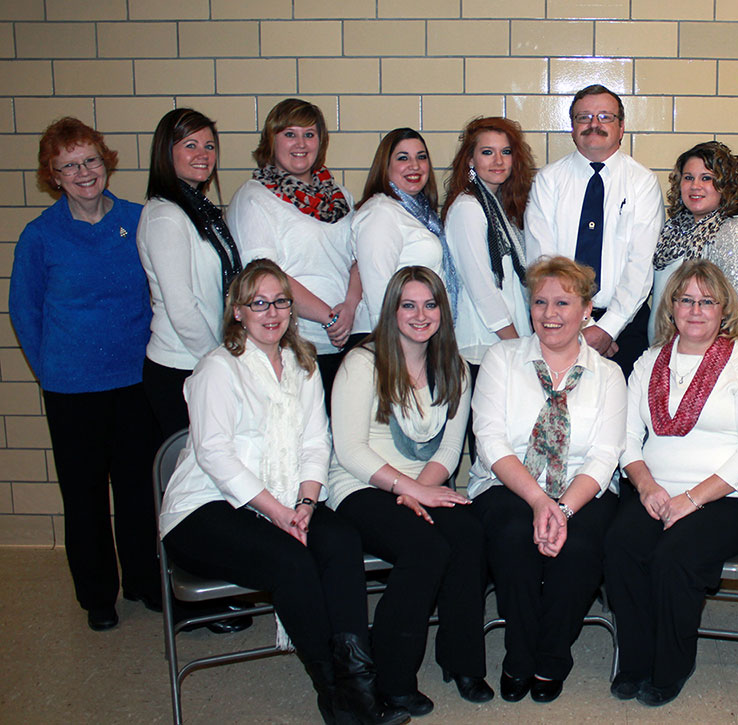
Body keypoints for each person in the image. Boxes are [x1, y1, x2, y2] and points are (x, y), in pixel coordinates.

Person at [158, 260, 407, 725]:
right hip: (204, 507)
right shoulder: (218, 368)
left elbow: (316, 443)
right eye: (259, 303)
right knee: (292, 560)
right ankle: (336, 696)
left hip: (288, 495)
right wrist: (278, 512)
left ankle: (360, 685)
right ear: (237, 311)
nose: (271, 313)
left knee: (341, 540)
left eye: (280, 302)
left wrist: (307, 503)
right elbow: (214, 455)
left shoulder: (302, 364)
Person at [9, 117, 159, 632]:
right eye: (69, 166)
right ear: (53, 176)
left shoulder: (138, 220)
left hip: (136, 381)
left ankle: (143, 580)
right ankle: (98, 595)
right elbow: (25, 311)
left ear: (106, 162)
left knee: (139, 491)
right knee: (85, 495)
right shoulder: (40, 236)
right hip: (72, 389)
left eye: (90, 160)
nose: (83, 172)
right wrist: (52, 369)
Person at [604, 260, 738, 707]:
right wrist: (646, 487)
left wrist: (692, 499)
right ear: (671, 307)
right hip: (657, 490)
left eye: (707, 301)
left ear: (723, 310)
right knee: (621, 544)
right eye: (686, 300)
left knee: (673, 556)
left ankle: (672, 665)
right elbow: (625, 438)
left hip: (731, 497)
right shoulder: (648, 362)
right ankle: (635, 660)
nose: (695, 310)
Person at [327, 266, 492, 715]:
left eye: (430, 304)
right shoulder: (362, 363)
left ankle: (462, 662)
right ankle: (392, 677)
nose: (421, 315)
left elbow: (450, 449)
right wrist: (406, 489)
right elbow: (349, 450)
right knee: (425, 548)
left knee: (469, 534)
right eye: (409, 305)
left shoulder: (455, 368)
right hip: (361, 484)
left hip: (422, 483)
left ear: (443, 311)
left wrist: (420, 490)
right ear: (392, 311)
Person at [468, 256, 626, 704]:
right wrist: (540, 502)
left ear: (586, 311)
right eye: (540, 302)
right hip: (509, 483)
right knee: (514, 536)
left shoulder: (609, 375)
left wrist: (564, 509)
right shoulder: (501, 359)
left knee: (578, 547)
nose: (550, 313)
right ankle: (519, 654)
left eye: (563, 302)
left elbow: (604, 455)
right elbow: (490, 440)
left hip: (583, 488)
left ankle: (552, 657)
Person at [228, 98, 367, 401]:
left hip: (346, 341)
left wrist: (349, 306)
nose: (301, 144)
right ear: (271, 140)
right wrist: (329, 318)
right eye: (289, 134)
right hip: (291, 344)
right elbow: (264, 276)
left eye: (309, 134)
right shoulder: (255, 198)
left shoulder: (339, 196)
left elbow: (359, 258)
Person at [525, 84, 665, 375]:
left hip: (625, 325)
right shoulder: (548, 181)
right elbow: (543, 262)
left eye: (605, 117)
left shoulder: (642, 182)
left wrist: (608, 329)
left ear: (621, 127)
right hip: (558, 322)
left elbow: (641, 264)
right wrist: (580, 327)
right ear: (572, 127)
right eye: (584, 117)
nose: (594, 124)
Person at [138, 108, 243, 439]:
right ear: (166, 152)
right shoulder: (166, 216)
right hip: (181, 366)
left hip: (203, 360)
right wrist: (219, 362)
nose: (203, 154)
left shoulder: (199, 210)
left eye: (209, 146)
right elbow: (182, 308)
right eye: (190, 145)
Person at [443, 116, 536, 366]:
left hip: (505, 342)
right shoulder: (468, 208)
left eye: (506, 152)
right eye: (487, 152)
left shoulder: (500, 208)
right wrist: (516, 345)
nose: (498, 161)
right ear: (470, 160)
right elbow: (481, 286)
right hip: (481, 344)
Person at [650, 142, 738, 332]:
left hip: (711, 349)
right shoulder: (673, 228)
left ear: (725, 185)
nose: (695, 186)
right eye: (688, 178)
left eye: (706, 178)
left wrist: (707, 351)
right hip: (663, 346)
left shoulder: (737, 230)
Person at [353, 128, 460, 330]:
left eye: (421, 157)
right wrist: (392, 344)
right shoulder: (380, 213)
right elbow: (379, 295)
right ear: (385, 166)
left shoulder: (421, 214)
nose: (415, 166)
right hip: (387, 336)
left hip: (418, 332)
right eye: (403, 158)